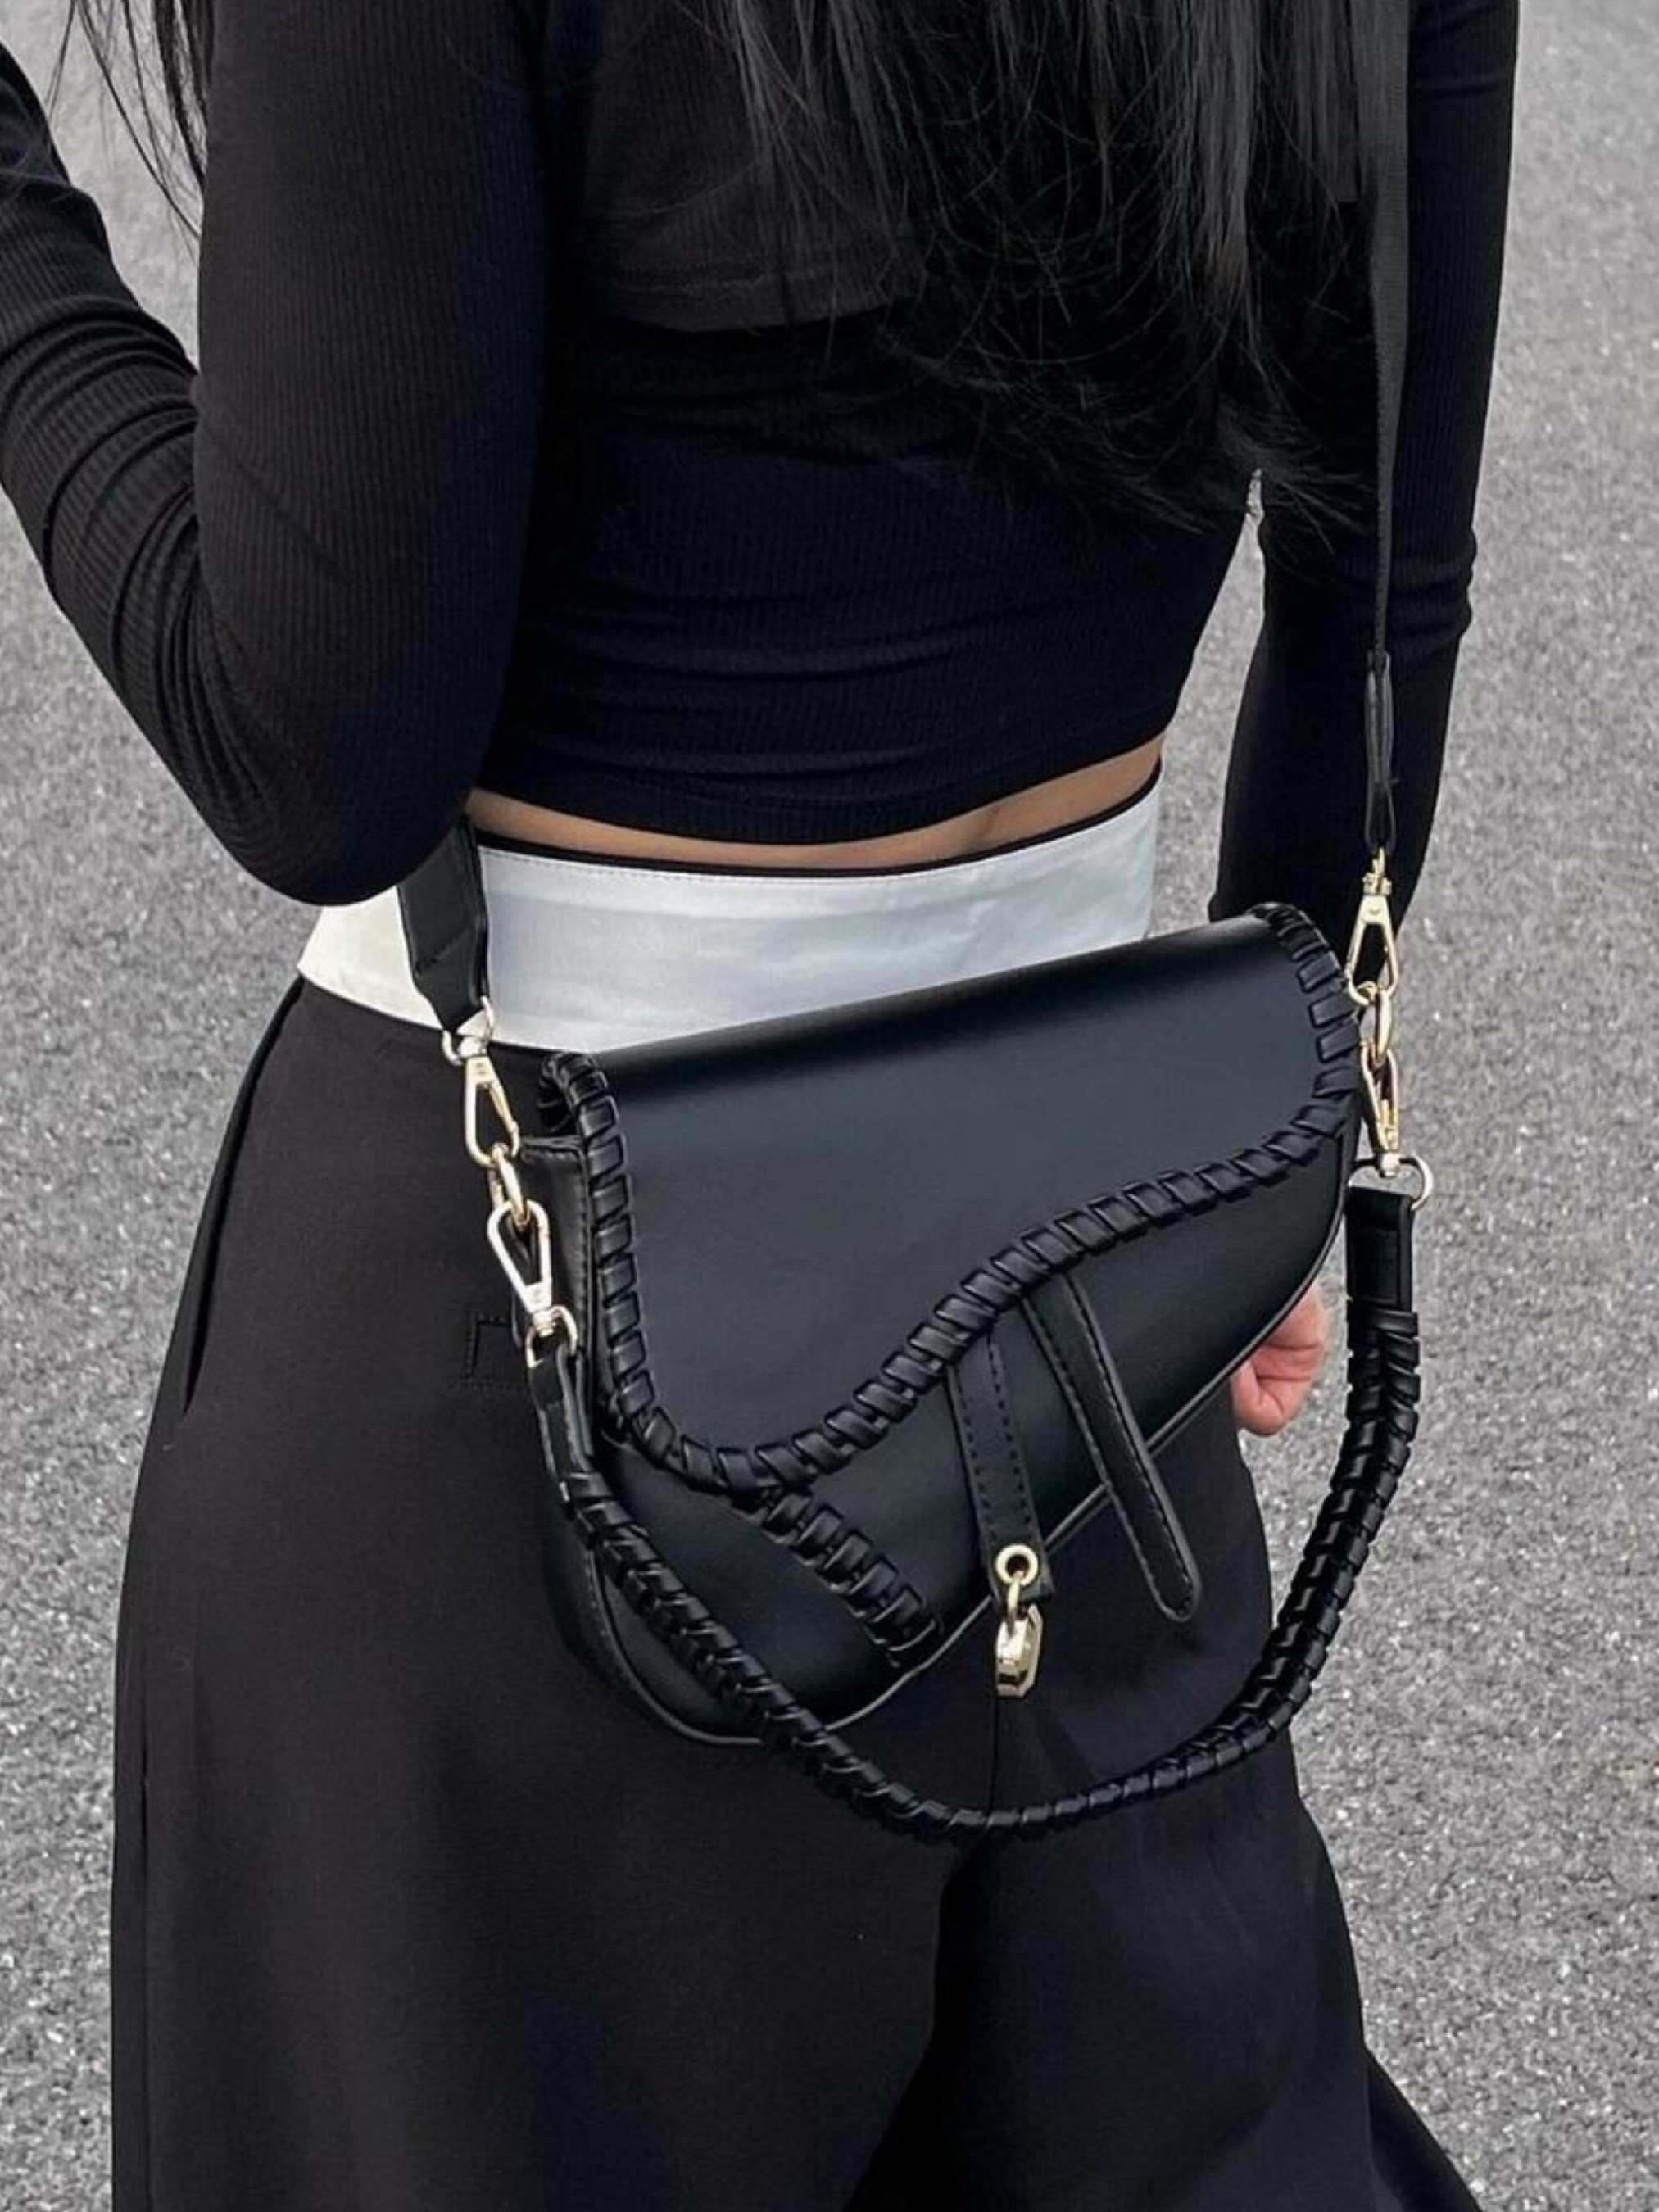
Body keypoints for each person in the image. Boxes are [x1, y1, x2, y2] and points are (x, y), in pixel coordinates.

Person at [1, 0, 1518, 2205]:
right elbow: (1383, 585)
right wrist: (1245, 1162)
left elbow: (322, 750)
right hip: (1090, 1280)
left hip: (508, 1342)